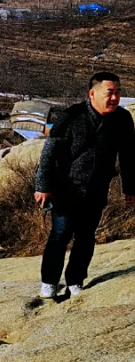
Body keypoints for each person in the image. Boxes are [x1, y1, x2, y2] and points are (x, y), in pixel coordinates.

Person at [34, 71, 135, 299]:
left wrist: (130, 189)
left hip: (96, 188)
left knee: (86, 236)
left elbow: (128, 156)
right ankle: (49, 281)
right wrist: (43, 185)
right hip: (65, 187)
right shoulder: (70, 116)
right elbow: (48, 153)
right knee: (60, 235)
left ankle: (75, 280)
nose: (115, 98)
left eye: (118, 93)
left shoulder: (122, 119)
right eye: (110, 92)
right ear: (92, 93)